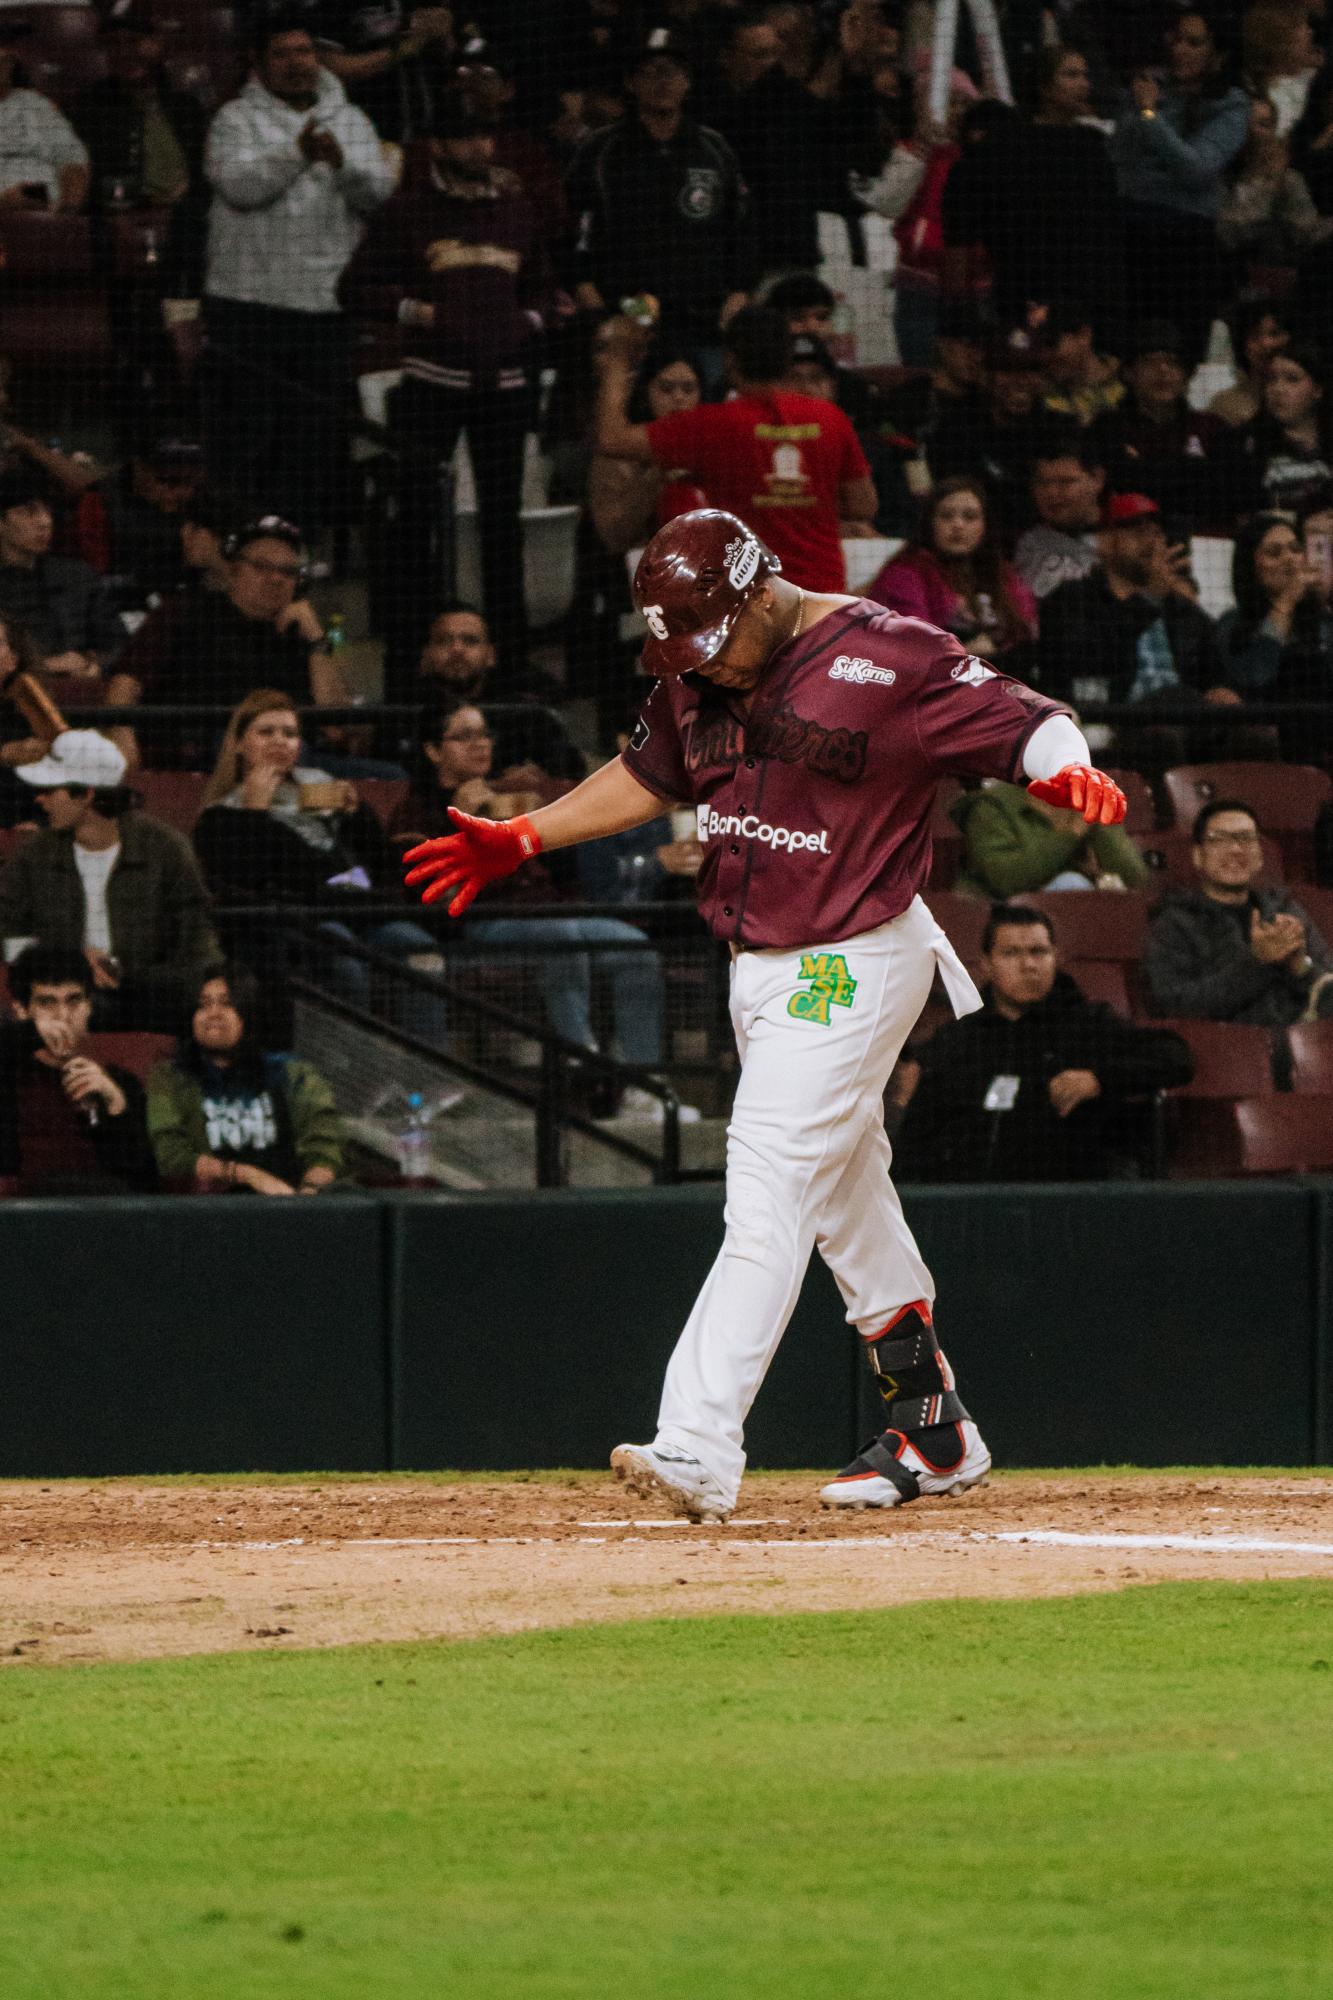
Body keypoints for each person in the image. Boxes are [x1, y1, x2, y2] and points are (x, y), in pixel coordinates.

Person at [401, 506, 1129, 1520]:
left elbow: (1024, 715)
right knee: (845, 1199)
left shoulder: (886, 652)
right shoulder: (694, 661)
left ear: (761, 590)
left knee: (769, 1177)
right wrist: (528, 834)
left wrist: (1063, 763)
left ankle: (698, 1439)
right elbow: (649, 771)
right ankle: (932, 1424)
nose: (699, 664)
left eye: (710, 638)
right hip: (758, 965)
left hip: (852, 956)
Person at [339, 87, 563, 682]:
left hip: (504, 388)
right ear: (438, 144)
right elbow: (354, 289)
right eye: (465, 135)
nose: (478, 146)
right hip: (430, 386)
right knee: (416, 533)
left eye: (484, 134)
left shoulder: (517, 212)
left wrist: (526, 321)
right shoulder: (407, 211)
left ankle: (507, 671)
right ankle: (411, 672)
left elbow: (547, 292)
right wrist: (422, 313)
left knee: (502, 531)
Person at [389, 699, 680, 1114]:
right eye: (463, 736)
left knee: (634, 948)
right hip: (484, 922)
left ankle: (645, 1084)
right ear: (433, 750)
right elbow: (437, 892)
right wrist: (466, 824)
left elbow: (568, 869)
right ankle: (583, 1056)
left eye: (484, 734)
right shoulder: (417, 810)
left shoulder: (515, 796)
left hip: (553, 911)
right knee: (559, 936)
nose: (480, 744)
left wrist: (537, 822)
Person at [201, 19, 397, 528]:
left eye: (306, 51)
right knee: (247, 436)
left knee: (316, 438)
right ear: (259, 64)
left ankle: (305, 547)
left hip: (326, 304)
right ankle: (241, 543)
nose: (298, 62)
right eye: (284, 53)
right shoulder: (233, 119)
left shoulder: (351, 118)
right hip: (249, 305)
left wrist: (341, 165)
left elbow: (379, 195)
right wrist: (299, 152)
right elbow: (240, 188)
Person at [192, 688, 448, 1046]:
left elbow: (375, 859)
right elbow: (257, 876)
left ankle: (429, 1067)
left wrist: (357, 813)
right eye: (266, 732)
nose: (280, 742)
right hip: (297, 918)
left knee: (419, 950)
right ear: (238, 743)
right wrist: (255, 815)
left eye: (290, 733)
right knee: (344, 959)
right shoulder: (222, 816)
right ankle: (350, 1070)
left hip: (357, 906)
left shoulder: (322, 790)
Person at [894, 905, 1191, 1180]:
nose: (1028, 965)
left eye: (1039, 952)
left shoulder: (1088, 1023)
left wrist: (1099, 1079)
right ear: (986, 964)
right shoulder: (957, 1039)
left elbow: (1175, 1057)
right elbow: (918, 1140)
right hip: (971, 1204)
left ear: (1055, 957)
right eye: (1011, 953)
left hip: (1067, 1201)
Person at [595, 305, 876, 591]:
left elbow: (611, 439)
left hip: (751, 603)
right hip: (822, 600)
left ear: (730, 361)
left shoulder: (711, 425)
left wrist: (618, 355)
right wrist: (807, 498)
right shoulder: (831, 419)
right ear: (787, 358)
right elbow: (864, 505)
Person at [0, 729, 220, 1030]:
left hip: (154, 998)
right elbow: (10, 935)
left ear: (87, 793)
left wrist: (128, 976)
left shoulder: (164, 849)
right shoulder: (34, 856)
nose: (40, 799)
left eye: (51, 790)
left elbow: (198, 949)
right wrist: (70, 961)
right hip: (65, 997)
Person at [106, 515, 348, 770]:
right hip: (206, 751)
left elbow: (336, 728)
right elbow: (126, 681)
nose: (277, 579)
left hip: (296, 753)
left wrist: (317, 642)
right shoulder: (183, 612)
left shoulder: (297, 632)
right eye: (262, 567)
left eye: (288, 572)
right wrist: (121, 734)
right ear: (235, 571)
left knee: (390, 775)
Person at [565, 28, 754, 350]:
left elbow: (741, 230)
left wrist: (739, 294)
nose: (662, 82)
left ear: (688, 81)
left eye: (672, 71)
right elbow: (569, 232)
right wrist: (595, 305)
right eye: (650, 72)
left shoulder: (714, 149)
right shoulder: (600, 150)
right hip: (628, 314)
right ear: (631, 82)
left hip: (703, 316)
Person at [1037, 493, 1234, 763]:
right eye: (1138, 532)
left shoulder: (1180, 608)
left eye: (1156, 532)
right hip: (1116, 721)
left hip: (1190, 722)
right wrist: (1147, 601)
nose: (1151, 542)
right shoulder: (1072, 600)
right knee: (1164, 731)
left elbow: (1215, 671)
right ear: (1105, 541)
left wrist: (1221, 689)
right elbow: (1090, 662)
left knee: (1252, 735)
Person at [1108, 9, 1249, 363]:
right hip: (1132, 225)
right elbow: (1120, 158)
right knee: (1130, 342)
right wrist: (1142, 111)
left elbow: (1197, 168)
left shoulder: (1231, 103)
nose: (1180, 50)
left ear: (1218, 53)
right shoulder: (1150, 88)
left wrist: (1150, 117)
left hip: (1187, 236)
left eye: (1195, 42)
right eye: (1178, 39)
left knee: (1180, 346)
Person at [146, 962, 347, 1193]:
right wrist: (248, 1176)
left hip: (292, 1202)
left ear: (248, 1014)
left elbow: (325, 1145)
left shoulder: (293, 1074)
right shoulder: (170, 1078)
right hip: (215, 1213)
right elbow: (172, 1158)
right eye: (203, 1005)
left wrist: (309, 1193)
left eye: (227, 1004)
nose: (212, 1014)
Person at [1143, 797, 1333, 1024]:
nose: (1235, 849)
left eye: (1246, 839)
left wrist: (1301, 967)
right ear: (1198, 856)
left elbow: (1328, 986)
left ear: (1261, 857)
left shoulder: (1285, 909)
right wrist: (1257, 963)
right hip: (1229, 1049)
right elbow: (1173, 1005)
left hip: (1303, 1039)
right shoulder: (1173, 922)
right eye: (1219, 840)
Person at [0, 943, 157, 1197]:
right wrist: (32, 1032)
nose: (63, 1016)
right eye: (47, 1002)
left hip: (98, 1222)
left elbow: (147, 1189)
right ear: (21, 1011)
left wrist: (117, 1109)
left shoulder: (118, 1082)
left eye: (74, 1001)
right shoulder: (7, 1073)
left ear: (89, 1007)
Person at [412, 600, 585, 782]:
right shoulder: (405, 716)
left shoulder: (527, 714)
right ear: (427, 655)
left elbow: (571, 770)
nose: (457, 649)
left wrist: (539, 776)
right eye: (443, 641)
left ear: (491, 656)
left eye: (470, 641)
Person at [866, 477, 1037, 660]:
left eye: (970, 517)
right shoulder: (903, 575)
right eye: (946, 516)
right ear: (930, 523)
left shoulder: (1001, 574)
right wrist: (966, 652)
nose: (958, 525)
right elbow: (914, 646)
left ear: (985, 526)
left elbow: (1026, 632)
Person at [1093, 320, 1228, 535]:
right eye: (1149, 362)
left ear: (1186, 375)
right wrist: (1188, 473)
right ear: (1129, 373)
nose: (1163, 371)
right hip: (1128, 541)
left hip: (1201, 541)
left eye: (1173, 362)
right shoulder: (1107, 428)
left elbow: (1221, 497)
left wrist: (1140, 470)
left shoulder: (1212, 428)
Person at [1217, 511, 1333, 758]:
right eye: (1274, 553)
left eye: (1294, 549)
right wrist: (1285, 604)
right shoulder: (1232, 625)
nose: (1289, 559)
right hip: (1265, 747)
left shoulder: (1322, 622)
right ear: (1251, 565)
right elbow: (1255, 677)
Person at [587, 336, 705, 556]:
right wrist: (655, 476)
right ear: (647, 391)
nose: (678, 398)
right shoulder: (618, 454)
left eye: (688, 389)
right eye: (666, 389)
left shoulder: (716, 446)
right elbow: (613, 536)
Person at [0, 470, 124, 677]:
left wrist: (94, 665)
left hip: (83, 690)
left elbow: (118, 643)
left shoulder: (76, 575)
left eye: (48, 511)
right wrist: (46, 666)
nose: (45, 522)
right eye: (28, 512)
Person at [67, 436, 207, 612]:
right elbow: (92, 581)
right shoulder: (101, 503)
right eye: (169, 481)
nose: (183, 492)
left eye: (190, 482)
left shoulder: (198, 506)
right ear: (140, 469)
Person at [952, 778, 1149, 899]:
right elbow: (1007, 879)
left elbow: (1134, 879)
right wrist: (1070, 835)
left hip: (1081, 917)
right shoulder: (992, 806)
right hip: (1003, 915)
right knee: (1071, 883)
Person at [1217, 92, 1333, 272]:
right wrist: (1270, 186)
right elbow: (1232, 234)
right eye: (1246, 123)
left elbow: (1305, 232)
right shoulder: (1216, 174)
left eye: (1265, 124)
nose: (1254, 132)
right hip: (1229, 269)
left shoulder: (1288, 179)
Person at [1223, 339, 1333, 517]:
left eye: (1292, 380)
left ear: (1317, 390)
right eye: (1271, 379)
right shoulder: (1244, 444)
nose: (1278, 389)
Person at [0, 18, 90, 211]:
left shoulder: (36, 105)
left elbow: (72, 160)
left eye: (6, 56)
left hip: (46, 218)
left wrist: (67, 208)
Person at [1013, 433, 1106, 600]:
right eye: (1043, 483)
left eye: (1065, 482)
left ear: (1097, 479)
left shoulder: (1127, 537)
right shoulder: (1026, 547)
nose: (1052, 493)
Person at [1037, 300, 1126, 428]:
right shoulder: (1042, 398)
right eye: (1037, 345)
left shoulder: (1130, 380)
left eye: (1051, 343)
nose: (1042, 355)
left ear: (1084, 335)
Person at [1208, 299, 1292, 426]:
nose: (1266, 343)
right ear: (1243, 346)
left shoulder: (1308, 395)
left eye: (1275, 333)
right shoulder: (1226, 405)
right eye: (1255, 336)